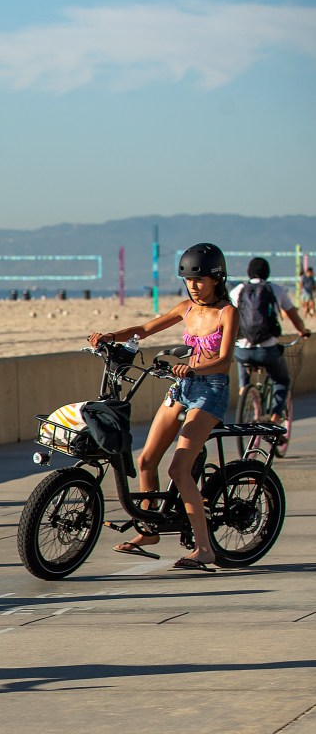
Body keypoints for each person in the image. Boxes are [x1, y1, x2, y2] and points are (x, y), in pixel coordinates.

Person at [88, 242, 237, 572]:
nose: (194, 286)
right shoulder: (186, 308)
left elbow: (225, 359)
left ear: (217, 278)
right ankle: (150, 530)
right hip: (182, 386)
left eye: (200, 280)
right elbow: (144, 330)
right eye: (189, 280)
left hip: (210, 392)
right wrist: (112, 336)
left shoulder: (227, 313)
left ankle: (204, 549)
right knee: (146, 460)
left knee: (179, 469)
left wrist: (196, 368)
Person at [227, 256, 310, 428]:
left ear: (249, 272)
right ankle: (275, 418)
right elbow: (293, 316)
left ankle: (244, 391)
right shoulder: (275, 289)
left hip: (243, 349)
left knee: (242, 360)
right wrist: (302, 331)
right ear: (267, 272)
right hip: (268, 350)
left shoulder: (238, 290)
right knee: (282, 381)